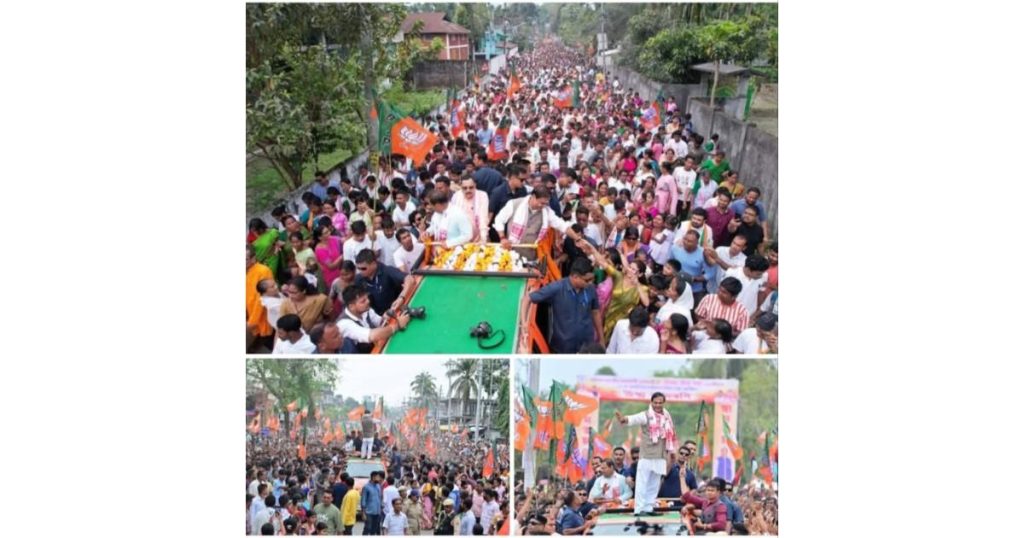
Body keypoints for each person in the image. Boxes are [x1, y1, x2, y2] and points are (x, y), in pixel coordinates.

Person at [614, 392, 677, 517]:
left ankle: (648, 508)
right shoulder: (646, 415)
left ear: (663, 403)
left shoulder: (667, 417)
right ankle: (639, 509)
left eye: (660, 403)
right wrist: (623, 419)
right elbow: (632, 419)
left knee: (654, 483)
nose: (658, 405)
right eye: (655, 402)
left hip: (660, 455)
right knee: (643, 483)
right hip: (647, 455)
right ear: (651, 402)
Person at [527, 257, 601, 353]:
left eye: (592, 279)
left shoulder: (590, 289)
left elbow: (595, 312)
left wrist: (601, 338)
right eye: (587, 280)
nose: (590, 283)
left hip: (586, 346)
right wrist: (525, 323)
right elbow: (528, 299)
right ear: (575, 277)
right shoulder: (556, 288)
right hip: (563, 348)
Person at [493, 186, 582, 261]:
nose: (542, 206)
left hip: (531, 255)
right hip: (511, 251)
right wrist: (502, 238)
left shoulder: (547, 211)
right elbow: (499, 220)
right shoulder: (514, 204)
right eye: (541, 203)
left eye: (545, 203)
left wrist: (577, 239)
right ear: (533, 196)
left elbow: (562, 226)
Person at [336, 285, 410, 353]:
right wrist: (397, 326)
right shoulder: (344, 324)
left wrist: (386, 316)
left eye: (367, 298)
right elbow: (372, 336)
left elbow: (380, 323)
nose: (368, 301)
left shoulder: (365, 309)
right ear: (351, 306)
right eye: (363, 301)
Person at [353, 249, 414, 316]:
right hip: (378, 318)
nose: (360, 271)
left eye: (363, 268)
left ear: (373, 264)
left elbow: (409, 279)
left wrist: (401, 298)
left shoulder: (387, 271)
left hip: (397, 310)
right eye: (358, 268)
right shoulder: (358, 280)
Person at [247, 244, 276, 352]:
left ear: (253, 258)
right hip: (250, 315)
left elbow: (263, 298)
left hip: (262, 316)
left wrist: (252, 321)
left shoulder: (263, 271)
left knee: (268, 342)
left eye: (245, 259)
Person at [450, 176, 490, 242]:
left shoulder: (482, 195)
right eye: (465, 188)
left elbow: (483, 217)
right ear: (460, 187)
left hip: (478, 234)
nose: (468, 190)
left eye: (471, 187)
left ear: (475, 185)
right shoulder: (456, 196)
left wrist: (482, 236)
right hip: (461, 236)